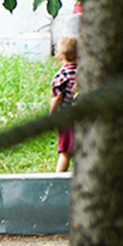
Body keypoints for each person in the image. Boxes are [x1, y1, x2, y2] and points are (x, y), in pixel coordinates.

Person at [50, 36, 78, 173]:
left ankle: (57, 179)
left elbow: (57, 97)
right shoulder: (85, 73)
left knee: (65, 153)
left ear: (60, 57)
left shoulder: (61, 76)